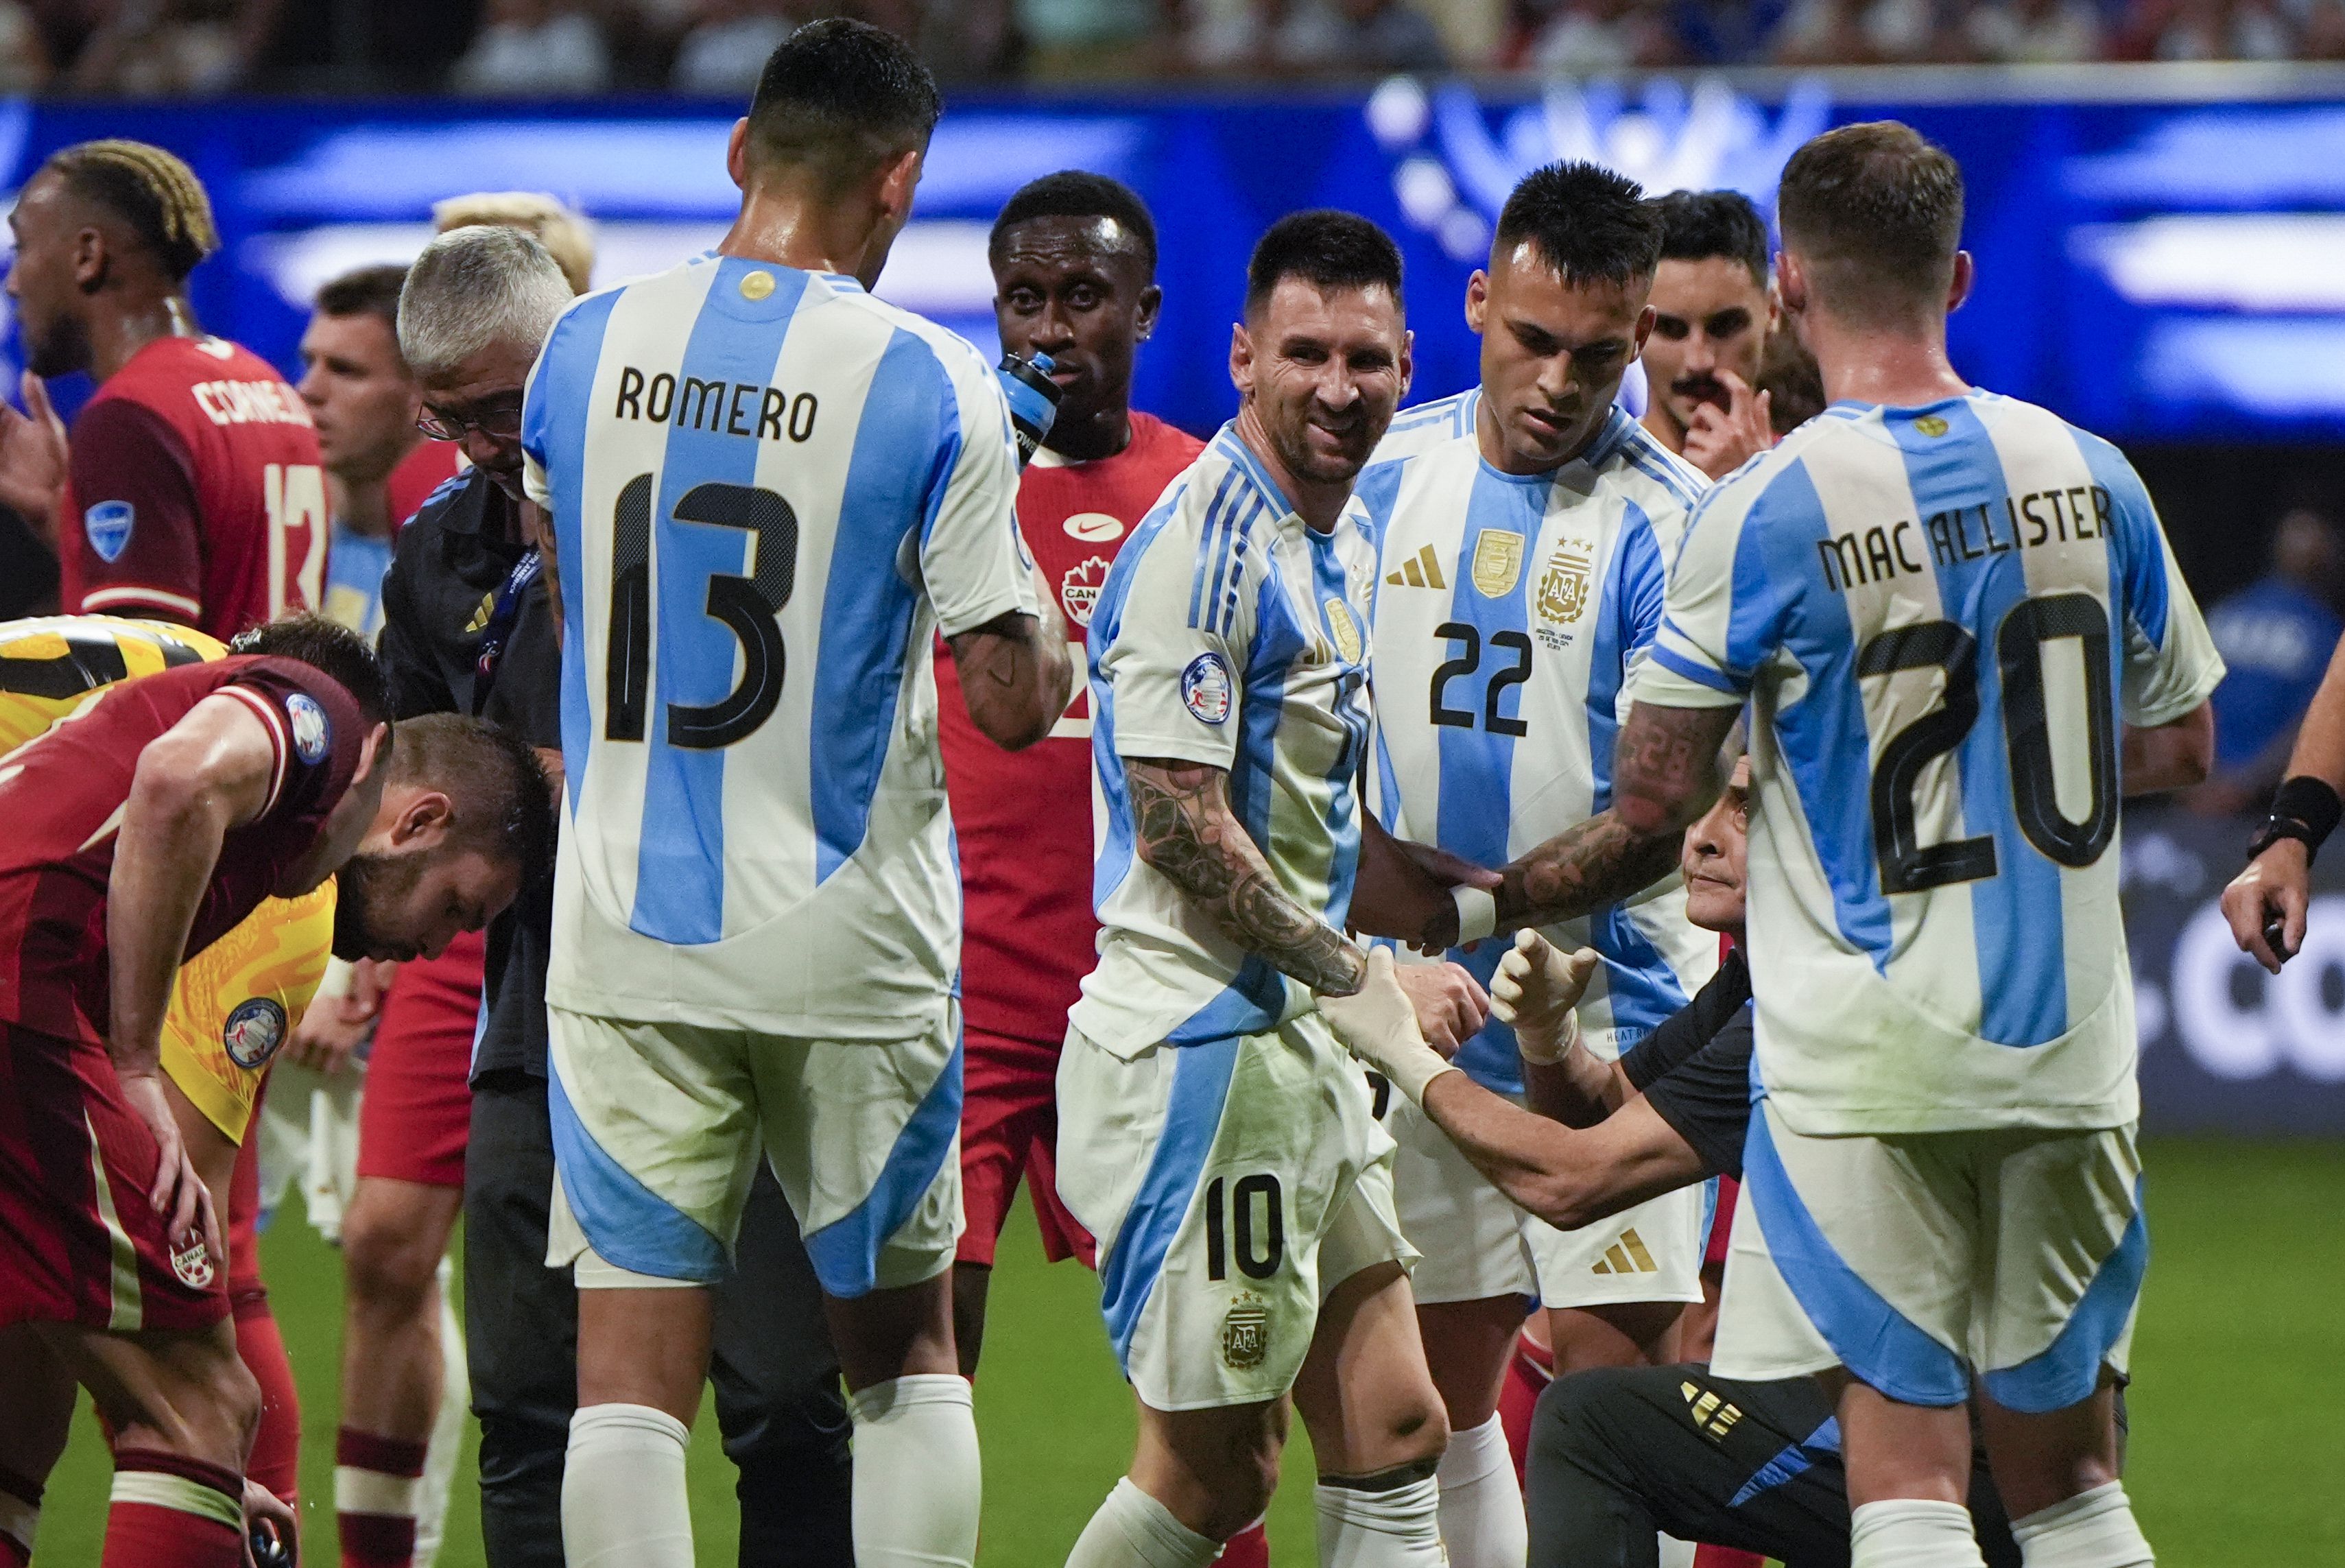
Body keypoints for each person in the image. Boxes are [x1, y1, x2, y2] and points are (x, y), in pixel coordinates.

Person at [1423, 121, 2219, 1568]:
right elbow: (2176, 746)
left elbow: (1648, 810)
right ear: (1958, 276)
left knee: (1903, 1472)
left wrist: (1480, 907)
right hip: (2074, 1054)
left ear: (1786, 286)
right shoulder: (2088, 472)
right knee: (2067, 1484)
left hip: (1870, 1067)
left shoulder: (1763, 510)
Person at [521, 21, 1076, 1567]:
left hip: (625, 918)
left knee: (625, 1384)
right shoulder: (931, 381)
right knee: (901, 1363)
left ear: (736, 155)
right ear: (896, 186)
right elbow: (1011, 702)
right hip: (847, 941)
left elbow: (573, 600)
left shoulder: (585, 344)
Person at [1056, 208, 1493, 1568]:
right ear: (1241, 355)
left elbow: (1304, 820)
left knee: (1393, 1420)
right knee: (1211, 1474)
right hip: (1197, 1060)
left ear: (1407, 362)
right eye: (1302, 353)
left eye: (1363, 358)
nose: (1335, 387)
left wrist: (1480, 907)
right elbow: (1176, 826)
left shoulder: (1333, 538)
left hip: (1291, 1050)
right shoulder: (1208, 542)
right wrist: (1365, 975)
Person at [1350, 161, 1718, 1568]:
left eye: (1599, 356)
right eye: (1533, 340)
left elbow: (1652, 817)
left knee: (1613, 1420)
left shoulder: (1671, 522)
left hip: (1608, 1022)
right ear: (1473, 302)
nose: (1562, 382)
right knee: (1434, 1419)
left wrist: (1458, 907)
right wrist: (1380, 940)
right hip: (1413, 1015)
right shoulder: (1376, 476)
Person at [0, 627, 547, 1568]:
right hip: (16, 978)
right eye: (456, 910)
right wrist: (134, 1056)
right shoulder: (326, 730)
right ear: (417, 821)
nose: (428, 950)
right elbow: (176, 779)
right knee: (205, 1403)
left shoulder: (210, 719)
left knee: (21, 1401)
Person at [1, 139, 326, 639]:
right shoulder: (265, 383)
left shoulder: (131, 415)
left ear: (88, 255)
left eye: (22, 248)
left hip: (198, 715)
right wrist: (64, 520)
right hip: (281, 709)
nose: (13, 283)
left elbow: (143, 668)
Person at [296, 263, 464, 641]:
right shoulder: (286, 537)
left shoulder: (459, 558)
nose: (309, 389)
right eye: (309, 363)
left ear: (421, 393)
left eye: (345, 370)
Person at [2191, 508, 2344, 814]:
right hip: (2270, 809)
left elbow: (2179, 701)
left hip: (2203, 798)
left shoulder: (2223, 614)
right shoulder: (2326, 633)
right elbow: (2319, 723)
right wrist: (2243, 785)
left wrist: (2199, 781)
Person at [1638, 189, 1778, 482]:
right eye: (1671, 330)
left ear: (1773, 312)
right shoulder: (1581, 490)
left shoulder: (1817, 479)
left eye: (1724, 327)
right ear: (1634, 329)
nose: (1699, 361)